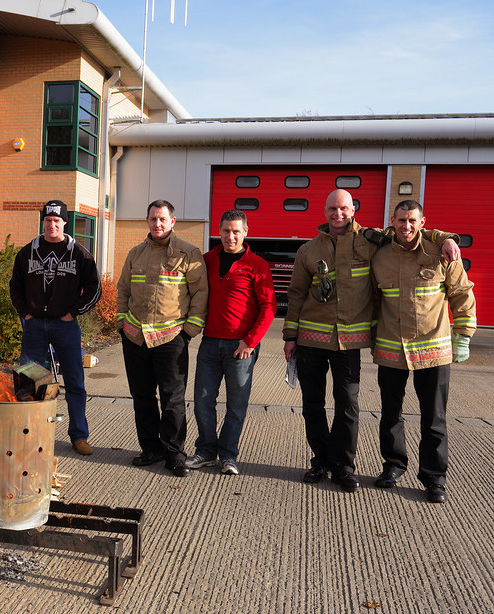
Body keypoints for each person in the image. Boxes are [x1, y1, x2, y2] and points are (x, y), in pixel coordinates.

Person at [283, 189, 460, 493]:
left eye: (343, 209)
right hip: (311, 340)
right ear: (325, 212)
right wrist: (290, 336)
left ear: (353, 210)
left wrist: (445, 238)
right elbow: (296, 294)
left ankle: (343, 467)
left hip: (348, 344)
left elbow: (410, 230)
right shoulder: (308, 251)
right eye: (332, 209)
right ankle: (321, 460)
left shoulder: (370, 240)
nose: (337, 214)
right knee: (313, 406)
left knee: (348, 407)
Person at [370, 199, 475, 503]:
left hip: (434, 351)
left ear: (423, 222)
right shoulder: (380, 256)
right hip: (392, 350)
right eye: (401, 220)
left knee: (434, 418)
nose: (406, 226)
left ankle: (434, 478)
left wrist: (464, 335)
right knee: (390, 413)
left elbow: (462, 293)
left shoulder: (440, 253)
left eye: (412, 221)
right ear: (393, 220)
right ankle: (393, 466)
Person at [116, 199, 208, 476]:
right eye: (153, 219)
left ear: (172, 222)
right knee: (142, 396)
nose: (157, 224)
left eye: (162, 219)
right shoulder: (135, 253)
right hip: (135, 338)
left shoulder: (189, 254)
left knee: (172, 400)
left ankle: (174, 453)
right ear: (147, 221)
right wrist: (122, 323)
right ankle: (150, 449)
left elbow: (200, 295)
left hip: (171, 339)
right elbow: (123, 290)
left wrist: (189, 332)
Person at [9, 200, 102, 455]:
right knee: (30, 380)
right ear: (43, 222)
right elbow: (14, 287)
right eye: (48, 220)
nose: (52, 225)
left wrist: (73, 312)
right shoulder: (28, 252)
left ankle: (79, 436)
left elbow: (94, 289)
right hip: (35, 326)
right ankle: (29, 434)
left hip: (66, 326)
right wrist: (25, 314)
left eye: (57, 221)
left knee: (74, 382)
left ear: (64, 222)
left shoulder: (79, 253)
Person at [187, 209, 275, 476]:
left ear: (245, 232)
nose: (230, 236)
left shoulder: (256, 265)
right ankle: (205, 451)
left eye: (236, 231)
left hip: (241, 348)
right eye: (226, 231)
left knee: (236, 405)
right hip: (210, 343)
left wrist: (250, 341)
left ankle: (228, 455)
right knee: (203, 401)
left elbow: (268, 307)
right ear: (219, 231)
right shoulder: (208, 260)